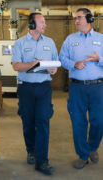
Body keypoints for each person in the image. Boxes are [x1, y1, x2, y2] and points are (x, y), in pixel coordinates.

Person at [11, 12, 58, 175]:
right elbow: (16, 66)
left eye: (45, 22)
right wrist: (35, 63)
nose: (45, 25)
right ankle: (31, 150)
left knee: (43, 122)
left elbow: (55, 64)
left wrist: (53, 69)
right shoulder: (20, 43)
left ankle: (42, 161)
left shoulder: (50, 43)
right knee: (28, 122)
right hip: (26, 88)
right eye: (42, 22)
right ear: (32, 24)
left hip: (44, 88)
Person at [59, 8, 103, 169]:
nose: (76, 21)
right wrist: (74, 64)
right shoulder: (70, 40)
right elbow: (62, 58)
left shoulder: (101, 38)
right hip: (77, 88)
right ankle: (83, 155)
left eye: (79, 17)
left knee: (99, 121)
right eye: (75, 18)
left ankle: (93, 147)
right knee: (78, 122)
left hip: (98, 87)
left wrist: (99, 58)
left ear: (89, 19)